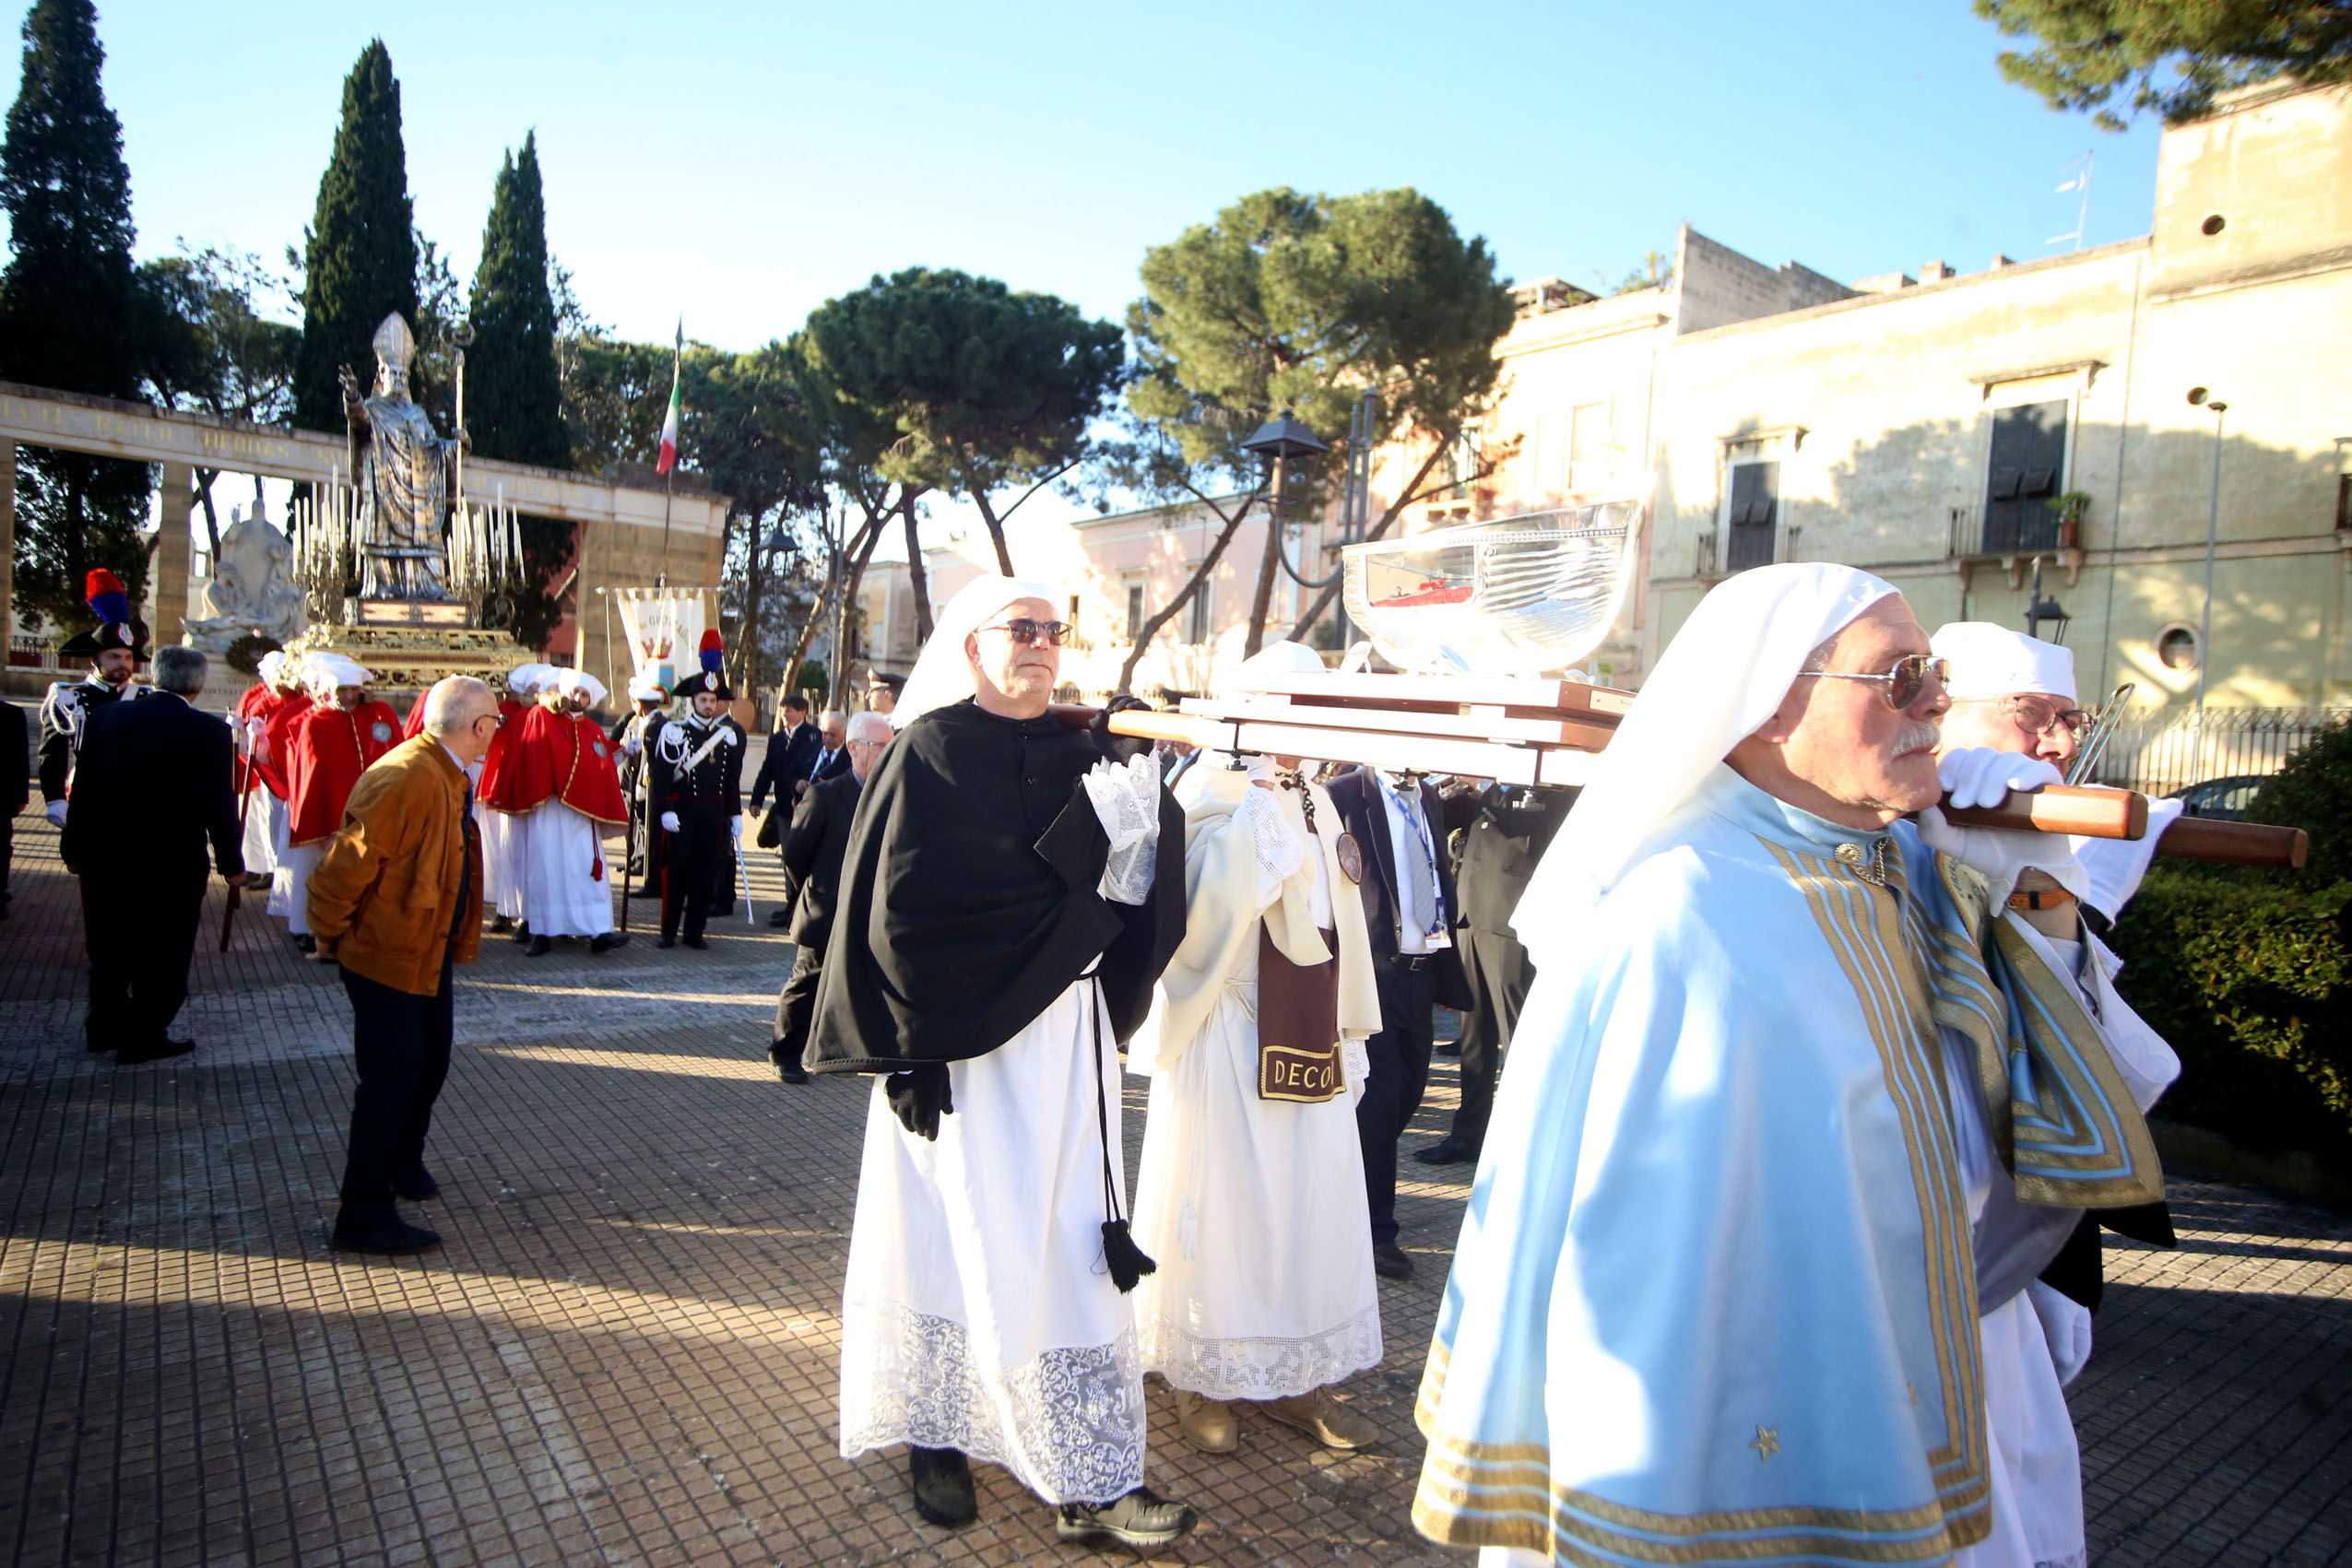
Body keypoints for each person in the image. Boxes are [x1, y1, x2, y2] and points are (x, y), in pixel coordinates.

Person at [1412, 564, 2171, 1568]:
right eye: (1901, 677)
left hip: (1957, 1359)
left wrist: (2032, 890)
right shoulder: (1680, 913)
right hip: (1760, 1419)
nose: (1936, 704)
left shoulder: (1917, 864)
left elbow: (2072, 1105)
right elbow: (1644, 1273)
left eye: (1937, 677)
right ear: (1770, 706)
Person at [807, 575, 1193, 1550]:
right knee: (952, 1234)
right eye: (1019, 628)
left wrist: (1145, 800)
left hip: (1065, 1043)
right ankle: (937, 1436)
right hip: (960, 1052)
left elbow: (1136, 896)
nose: (1040, 643)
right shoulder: (928, 751)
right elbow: (888, 909)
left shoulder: (1093, 752)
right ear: (973, 647)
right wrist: (911, 1048)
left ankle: (1089, 1471)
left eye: (1052, 630)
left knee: (1070, 1243)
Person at [1932, 620, 2182, 1568]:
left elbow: (2078, 1026)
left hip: (2001, 1230)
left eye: (2069, 720)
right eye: (2030, 714)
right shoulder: (1873, 830)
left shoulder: (2035, 830)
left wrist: (2039, 878)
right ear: (1942, 716)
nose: (2059, 741)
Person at [1128, 646, 1386, 1458]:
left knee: (1307, 1207)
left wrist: (1349, 1030)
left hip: (1308, 1031)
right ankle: (1199, 1373)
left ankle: (1296, 1372)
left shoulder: (1318, 798)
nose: (1313, 728)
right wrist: (1252, 837)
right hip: (1230, 1028)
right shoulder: (1211, 784)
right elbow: (1189, 914)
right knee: (1225, 1209)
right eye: (1298, 708)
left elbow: (1342, 922)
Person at [308, 676, 495, 1256]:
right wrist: (328, 934)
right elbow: (344, 866)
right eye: (495, 720)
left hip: (426, 950)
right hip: (388, 955)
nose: (497, 729)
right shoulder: (406, 775)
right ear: (478, 727)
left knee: (428, 1065)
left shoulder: (446, 772)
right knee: (390, 1081)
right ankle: (363, 1214)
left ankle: (400, 1163)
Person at [59, 645, 242, 1063]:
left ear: (154, 677)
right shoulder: (209, 732)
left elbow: (82, 789)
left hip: (106, 858)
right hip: (171, 864)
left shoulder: (106, 717)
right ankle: (143, 1035)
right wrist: (231, 864)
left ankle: (103, 1026)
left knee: (109, 947)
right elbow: (219, 804)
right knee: (164, 953)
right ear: (198, 686)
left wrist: (73, 846)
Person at [1324, 764, 1471, 1279]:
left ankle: (1347, 1190)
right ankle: (1376, 1232)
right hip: (1372, 973)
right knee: (1380, 1102)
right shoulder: (1344, 793)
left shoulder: (1426, 795)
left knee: (1410, 1090)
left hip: (1422, 972)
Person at [1415, 780, 1575, 1166]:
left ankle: (1531, 1142)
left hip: (1508, 926)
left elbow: (1530, 836)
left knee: (1517, 1039)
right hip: (1470, 919)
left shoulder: (1554, 790)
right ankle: (1468, 1137)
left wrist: (1490, 790)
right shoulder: (1490, 790)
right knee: (1474, 1042)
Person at [767, 710, 887, 1080]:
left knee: (853, 986)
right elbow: (795, 856)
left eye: (890, 745)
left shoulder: (891, 795)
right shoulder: (824, 795)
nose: (886, 753)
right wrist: (819, 892)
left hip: (869, 912)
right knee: (808, 982)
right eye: (879, 746)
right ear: (854, 748)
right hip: (825, 909)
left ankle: (836, 1053)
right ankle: (785, 1052)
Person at [486, 668, 629, 957]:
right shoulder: (543, 717)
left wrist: (624, 751)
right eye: (574, 691)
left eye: (584, 694)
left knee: (588, 872)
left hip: (582, 813)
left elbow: (599, 764)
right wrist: (544, 700)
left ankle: (599, 931)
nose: (578, 697)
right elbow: (533, 756)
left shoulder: (592, 729)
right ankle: (543, 932)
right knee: (547, 870)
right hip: (550, 808)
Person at [276, 656, 401, 954]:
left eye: (353, 690)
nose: (348, 697)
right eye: (341, 690)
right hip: (327, 817)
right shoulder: (315, 723)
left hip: (369, 815)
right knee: (316, 873)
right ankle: (309, 928)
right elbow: (309, 779)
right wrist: (324, 824)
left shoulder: (376, 715)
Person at [38, 570, 146, 824]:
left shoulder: (146, 697)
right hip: (86, 800)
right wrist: (55, 799)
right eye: (114, 657)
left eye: (128, 657)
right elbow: (52, 754)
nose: (123, 663)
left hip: (137, 804)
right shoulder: (68, 698)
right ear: (94, 660)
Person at [650, 668, 746, 950]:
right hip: (684, 812)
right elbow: (661, 777)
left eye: (712, 700)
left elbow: (731, 780)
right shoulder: (675, 732)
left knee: (706, 874)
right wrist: (666, 809)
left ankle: (694, 931)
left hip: (713, 814)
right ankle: (668, 930)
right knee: (677, 871)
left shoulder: (727, 736)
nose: (708, 705)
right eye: (703, 700)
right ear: (693, 701)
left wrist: (735, 813)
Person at [766, 708, 854, 925]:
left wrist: (829, 787)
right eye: (825, 733)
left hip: (828, 820)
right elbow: (789, 773)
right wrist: (796, 783)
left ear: (845, 734)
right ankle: (791, 907)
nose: (827, 738)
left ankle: (805, 912)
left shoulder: (850, 757)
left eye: (833, 734)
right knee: (794, 860)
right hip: (800, 813)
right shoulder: (812, 748)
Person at [478, 664, 547, 934]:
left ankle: (529, 913)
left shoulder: (545, 716)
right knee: (505, 852)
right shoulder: (505, 712)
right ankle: (505, 909)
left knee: (529, 856)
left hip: (537, 793)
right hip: (504, 789)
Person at [230, 652, 302, 892]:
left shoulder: (298, 700)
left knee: (276, 820)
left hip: (284, 768)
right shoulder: (258, 695)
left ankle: (275, 869)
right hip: (262, 766)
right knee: (261, 819)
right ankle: (261, 866)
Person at [612, 672, 671, 897]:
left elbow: (649, 758)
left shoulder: (655, 725)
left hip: (651, 785)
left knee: (652, 834)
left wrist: (640, 784)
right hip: (647, 784)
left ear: (641, 704)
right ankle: (649, 876)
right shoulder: (651, 722)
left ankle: (653, 881)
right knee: (647, 831)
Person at [749, 692, 818, 821]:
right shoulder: (777, 739)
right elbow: (767, 771)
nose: (784, 715)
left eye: (789, 711)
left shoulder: (814, 737)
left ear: (803, 712)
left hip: (804, 806)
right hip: (782, 805)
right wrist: (756, 800)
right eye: (782, 711)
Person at [1, 698, 27, 920]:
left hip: (1, 800)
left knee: (0, 847)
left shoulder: (10, 715)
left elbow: (20, 760)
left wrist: (21, 796)